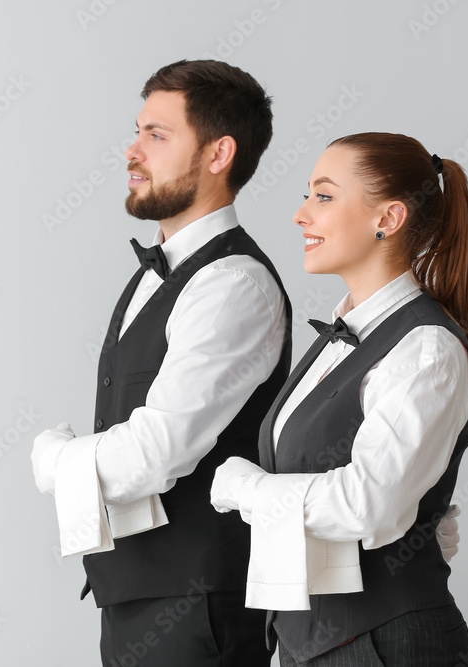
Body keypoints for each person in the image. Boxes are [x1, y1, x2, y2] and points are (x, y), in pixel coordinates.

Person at [31, 59, 288, 665]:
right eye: (138, 130)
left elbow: (155, 453)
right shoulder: (161, 273)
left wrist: (55, 461)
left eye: (157, 135)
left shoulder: (232, 284)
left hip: (196, 609)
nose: (132, 151)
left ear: (218, 154)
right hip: (141, 599)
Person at [210, 132, 468, 666]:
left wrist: (252, 490)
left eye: (324, 196)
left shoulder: (425, 348)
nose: (300, 214)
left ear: (389, 217)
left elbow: (370, 506)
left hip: (386, 645)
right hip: (312, 645)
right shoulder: (343, 333)